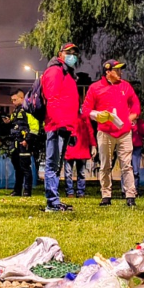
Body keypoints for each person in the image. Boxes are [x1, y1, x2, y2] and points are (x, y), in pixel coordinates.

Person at [85, 59, 140, 207]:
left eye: (120, 69)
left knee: (127, 165)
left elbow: (135, 104)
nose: (120, 72)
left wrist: (131, 117)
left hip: (124, 132)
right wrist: (97, 115)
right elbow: (86, 109)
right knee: (105, 165)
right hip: (105, 132)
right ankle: (106, 195)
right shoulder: (95, 88)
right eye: (117, 70)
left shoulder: (126, 86)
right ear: (108, 72)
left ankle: (130, 195)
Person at [40, 42, 81, 212]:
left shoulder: (66, 73)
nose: (72, 56)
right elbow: (52, 99)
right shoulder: (55, 71)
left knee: (56, 165)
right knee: (52, 164)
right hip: (57, 126)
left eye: (75, 53)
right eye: (69, 52)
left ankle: (54, 200)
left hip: (64, 126)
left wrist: (71, 128)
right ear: (60, 54)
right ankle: (52, 202)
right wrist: (60, 124)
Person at [4, 89, 37, 197]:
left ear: (22, 98)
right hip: (15, 143)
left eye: (15, 100)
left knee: (25, 168)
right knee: (17, 168)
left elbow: (34, 127)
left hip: (24, 143)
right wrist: (8, 122)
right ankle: (17, 191)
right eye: (12, 100)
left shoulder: (28, 109)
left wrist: (28, 140)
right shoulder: (16, 111)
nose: (13, 102)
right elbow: (14, 126)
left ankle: (27, 191)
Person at [63, 106, 95, 198]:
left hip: (80, 147)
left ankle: (79, 192)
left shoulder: (84, 115)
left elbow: (90, 131)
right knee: (69, 172)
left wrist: (93, 145)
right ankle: (71, 192)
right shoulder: (67, 114)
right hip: (71, 146)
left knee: (79, 172)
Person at [131, 117, 144, 196]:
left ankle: (135, 190)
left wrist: (138, 124)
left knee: (136, 170)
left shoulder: (140, 122)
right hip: (126, 146)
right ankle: (125, 190)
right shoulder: (126, 119)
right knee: (126, 169)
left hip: (137, 146)